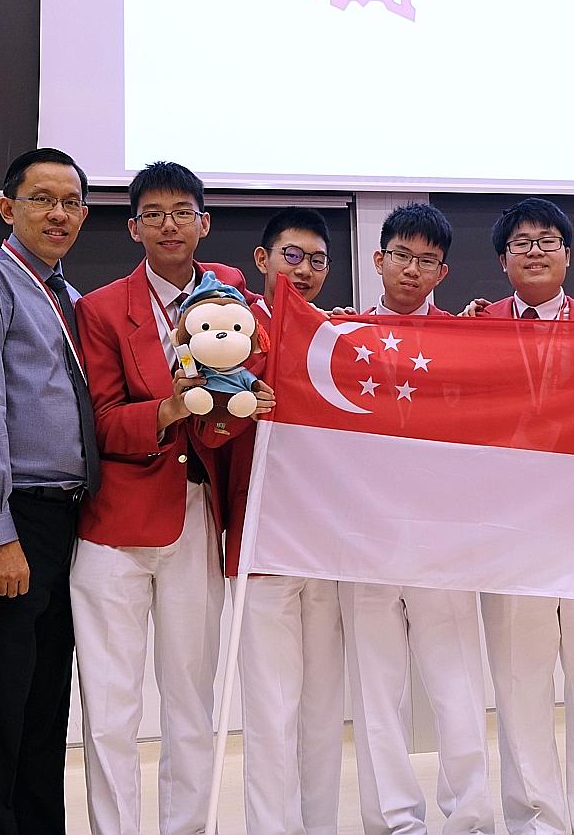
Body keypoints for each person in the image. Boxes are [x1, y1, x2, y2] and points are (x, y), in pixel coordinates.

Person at [71, 161, 271, 835]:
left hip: (194, 516)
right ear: (133, 228)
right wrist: (165, 409)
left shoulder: (233, 293)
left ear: (204, 223)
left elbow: (238, 395)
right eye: (153, 214)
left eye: (182, 212)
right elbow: (99, 423)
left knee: (192, 702)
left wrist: (247, 407)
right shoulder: (99, 308)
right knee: (112, 707)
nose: (169, 225)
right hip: (113, 528)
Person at [464, 197, 574, 835]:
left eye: (548, 240)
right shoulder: (473, 331)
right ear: (504, 260)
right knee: (519, 682)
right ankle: (535, 819)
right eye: (522, 243)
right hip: (509, 533)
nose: (535, 250)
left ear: (567, 254)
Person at [0, 148, 98, 835]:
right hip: (16, 519)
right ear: (8, 209)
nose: (57, 213)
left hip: (69, 520)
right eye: (42, 199)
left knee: (43, 708)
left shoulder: (67, 295)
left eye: (70, 202)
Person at [336, 203, 497, 835]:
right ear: (378, 260)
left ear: (443, 271)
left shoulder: (468, 340)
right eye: (401, 255)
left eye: (426, 260)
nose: (412, 269)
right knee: (378, 695)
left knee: (456, 686)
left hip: (444, 541)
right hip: (365, 538)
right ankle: (393, 822)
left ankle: (470, 818)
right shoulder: (339, 337)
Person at [229, 206, 349, 835]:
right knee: (271, 709)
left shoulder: (338, 337)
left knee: (324, 709)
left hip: (327, 548)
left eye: (318, 260)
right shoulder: (229, 328)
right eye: (292, 256)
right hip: (262, 546)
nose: (303, 271)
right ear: (263, 259)